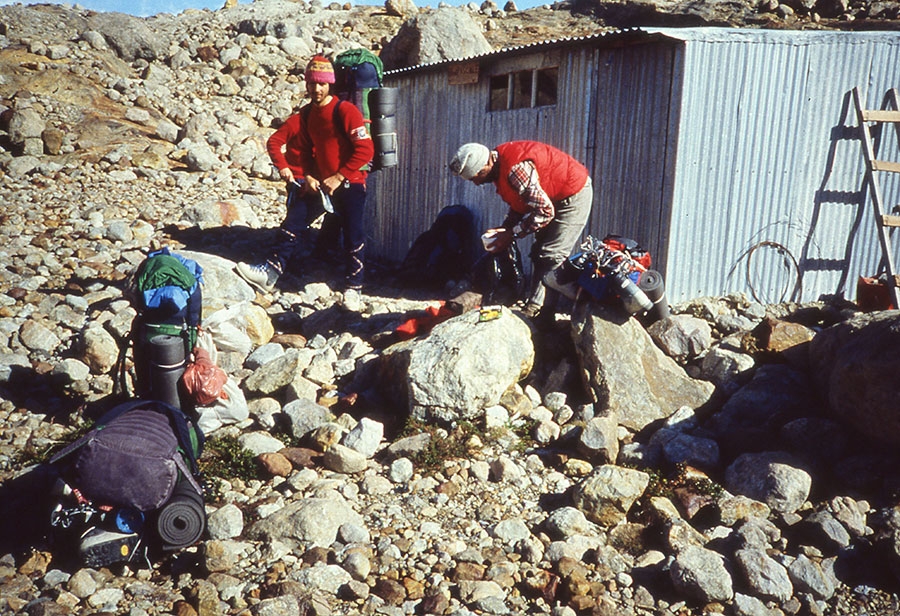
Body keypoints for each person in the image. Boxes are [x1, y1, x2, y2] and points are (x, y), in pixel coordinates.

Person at [236, 55, 375, 293]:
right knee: (293, 222)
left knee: (354, 234)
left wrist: (339, 176)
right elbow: (308, 152)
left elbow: (366, 149)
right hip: (321, 185)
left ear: (330, 84)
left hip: (350, 182)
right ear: (306, 84)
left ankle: (354, 287)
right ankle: (270, 273)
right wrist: (308, 175)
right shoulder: (307, 114)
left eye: (321, 83)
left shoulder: (345, 111)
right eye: (312, 83)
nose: (317, 88)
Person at [449, 141, 593, 323]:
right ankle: (538, 308)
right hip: (549, 197)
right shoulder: (499, 169)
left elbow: (544, 211)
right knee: (538, 253)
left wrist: (511, 234)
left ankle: (542, 311)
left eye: (477, 176)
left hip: (573, 193)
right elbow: (521, 202)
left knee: (550, 255)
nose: (477, 183)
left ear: (486, 164)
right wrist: (506, 227)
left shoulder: (515, 170)